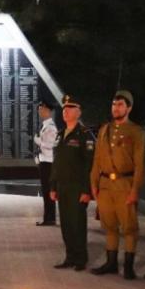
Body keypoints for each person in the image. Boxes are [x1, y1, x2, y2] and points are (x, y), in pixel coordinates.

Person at [90, 89, 145, 279]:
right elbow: (97, 159)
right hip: (105, 186)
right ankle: (111, 263)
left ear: (129, 108)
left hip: (125, 185)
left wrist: (135, 189)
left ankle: (129, 267)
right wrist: (93, 183)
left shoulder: (135, 131)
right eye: (114, 104)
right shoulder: (104, 130)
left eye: (121, 105)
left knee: (129, 228)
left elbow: (139, 164)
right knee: (110, 226)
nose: (116, 108)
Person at [49, 95, 94, 271]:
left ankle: (81, 259)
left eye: (69, 108)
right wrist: (53, 186)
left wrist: (86, 190)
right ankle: (70, 256)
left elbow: (88, 164)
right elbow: (56, 162)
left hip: (77, 187)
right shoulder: (60, 135)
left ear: (78, 112)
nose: (65, 112)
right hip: (62, 186)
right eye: (64, 109)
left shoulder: (84, 135)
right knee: (66, 224)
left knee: (78, 224)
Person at [35, 100, 59, 225]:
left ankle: (50, 218)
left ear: (48, 111)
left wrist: (38, 141)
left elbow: (51, 145)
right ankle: (48, 217)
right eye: (39, 109)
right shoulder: (45, 125)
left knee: (48, 191)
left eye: (42, 109)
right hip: (44, 161)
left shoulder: (50, 127)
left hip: (48, 163)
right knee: (46, 191)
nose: (40, 111)